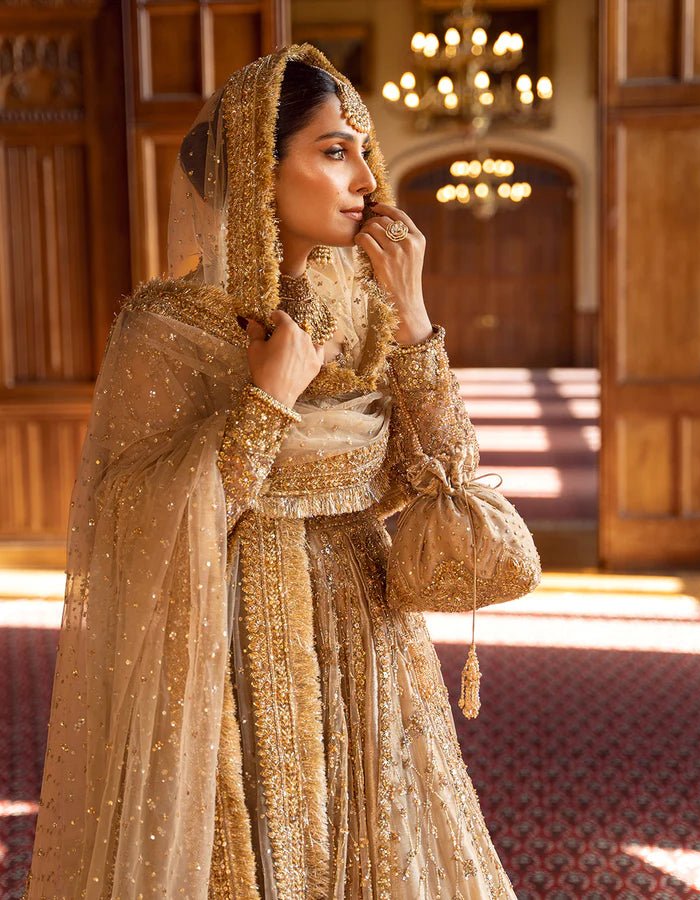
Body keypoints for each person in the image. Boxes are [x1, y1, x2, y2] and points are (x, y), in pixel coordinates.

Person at [22, 44, 518, 899]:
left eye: (363, 147)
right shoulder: (168, 324)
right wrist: (267, 398)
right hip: (227, 641)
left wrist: (414, 319)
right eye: (334, 150)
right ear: (260, 169)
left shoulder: (366, 313)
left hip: (368, 633)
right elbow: (130, 518)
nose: (366, 174)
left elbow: (448, 481)